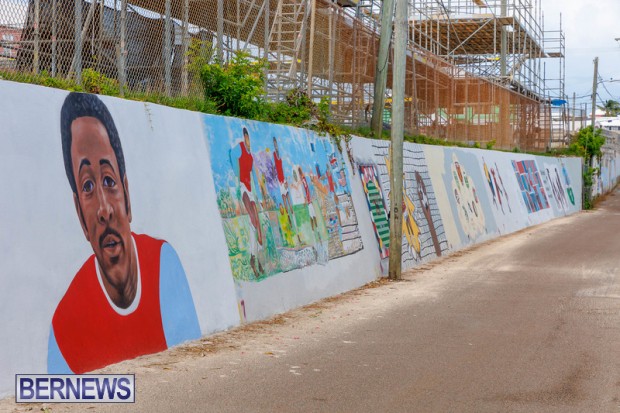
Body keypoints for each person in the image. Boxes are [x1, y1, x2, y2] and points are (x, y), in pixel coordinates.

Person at [48, 92, 201, 374]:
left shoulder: (163, 265)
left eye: (109, 180)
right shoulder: (62, 333)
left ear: (127, 196)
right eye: (88, 187)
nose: (104, 209)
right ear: (80, 216)